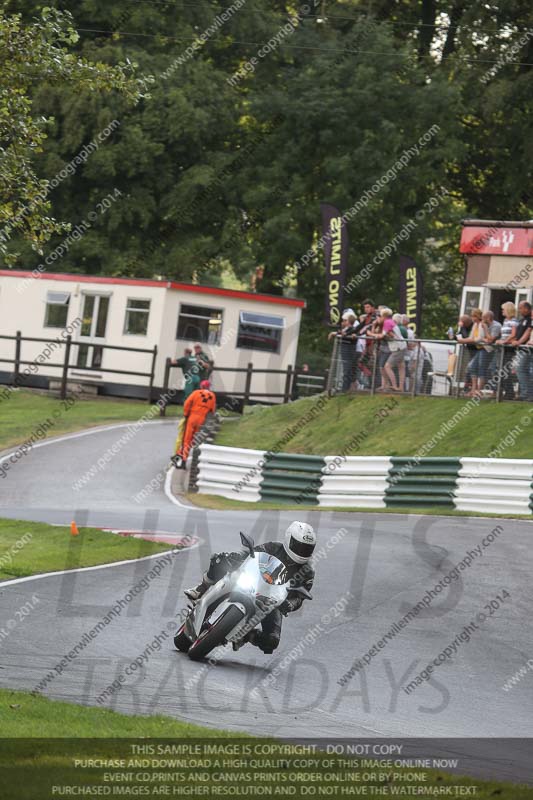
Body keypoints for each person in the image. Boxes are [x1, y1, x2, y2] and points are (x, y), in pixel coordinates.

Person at [185, 521, 316, 654]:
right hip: (253, 581)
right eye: (299, 546)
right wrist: (237, 557)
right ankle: (202, 588)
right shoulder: (274, 547)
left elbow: (300, 597)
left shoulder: (307, 571)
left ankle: (247, 635)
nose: (302, 551)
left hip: (272, 601)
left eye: (307, 549)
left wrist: (290, 604)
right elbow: (252, 555)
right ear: (289, 540)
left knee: (271, 641)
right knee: (219, 560)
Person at [172, 380, 216, 468]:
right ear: (209, 387)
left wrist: (186, 414)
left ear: (201, 386)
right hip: (201, 420)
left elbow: (187, 403)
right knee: (192, 441)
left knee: (186, 439)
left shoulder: (196, 393)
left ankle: (182, 461)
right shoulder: (212, 396)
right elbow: (212, 410)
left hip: (192, 417)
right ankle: (179, 456)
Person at [495, 302, 518, 400]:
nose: (502, 311)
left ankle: (510, 392)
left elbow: (513, 334)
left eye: (503, 309)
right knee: (499, 369)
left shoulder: (514, 321)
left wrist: (504, 341)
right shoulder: (505, 321)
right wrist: (499, 340)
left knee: (505, 370)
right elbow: (503, 334)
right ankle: (504, 391)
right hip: (502, 347)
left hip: (509, 348)